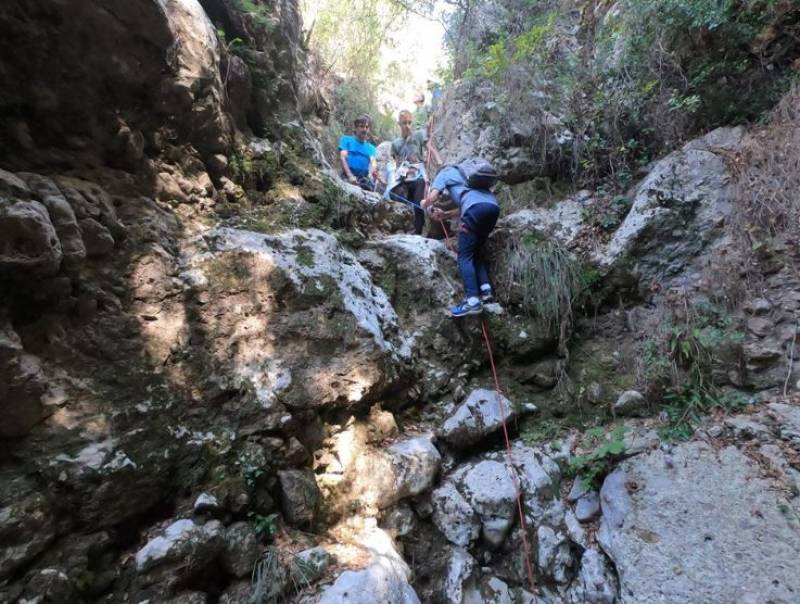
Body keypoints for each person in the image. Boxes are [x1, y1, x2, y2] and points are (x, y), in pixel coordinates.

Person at [422, 163, 499, 317]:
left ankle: (472, 301)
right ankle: (486, 291)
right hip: (492, 207)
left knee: (464, 256)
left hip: (474, 209)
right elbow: (468, 202)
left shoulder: (444, 173)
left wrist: (424, 203)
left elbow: (433, 197)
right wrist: (446, 214)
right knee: (475, 253)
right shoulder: (468, 175)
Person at [389, 110, 440, 235]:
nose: (407, 126)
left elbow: (430, 148)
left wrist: (439, 162)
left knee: (418, 203)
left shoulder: (418, 135)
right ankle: (402, 228)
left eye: (409, 123)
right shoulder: (395, 144)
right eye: (404, 123)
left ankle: (418, 232)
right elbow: (396, 163)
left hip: (418, 176)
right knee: (395, 195)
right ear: (399, 124)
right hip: (404, 177)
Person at [338, 114, 378, 191]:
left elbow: (373, 163)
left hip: (363, 180)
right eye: (362, 126)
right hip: (346, 176)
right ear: (356, 128)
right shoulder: (346, 140)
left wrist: (372, 173)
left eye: (367, 127)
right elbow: (343, 158)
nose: (365, 129)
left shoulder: (372, 148)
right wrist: (350, 176)